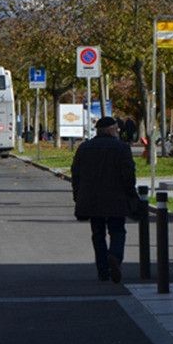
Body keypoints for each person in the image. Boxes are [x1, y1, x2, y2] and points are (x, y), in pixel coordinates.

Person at [71, 116, 136, 283]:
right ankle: (114, 256)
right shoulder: (122, 148)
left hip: (91, 200)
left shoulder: (84, 148)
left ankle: (103, 270)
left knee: (98, 234)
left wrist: (77, 195)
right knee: (118, 230)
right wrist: (131, 194)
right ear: (110, 130)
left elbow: (75, 174)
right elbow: (128, 175)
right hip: (116, 198)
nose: (118, 131)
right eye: (116, 129)